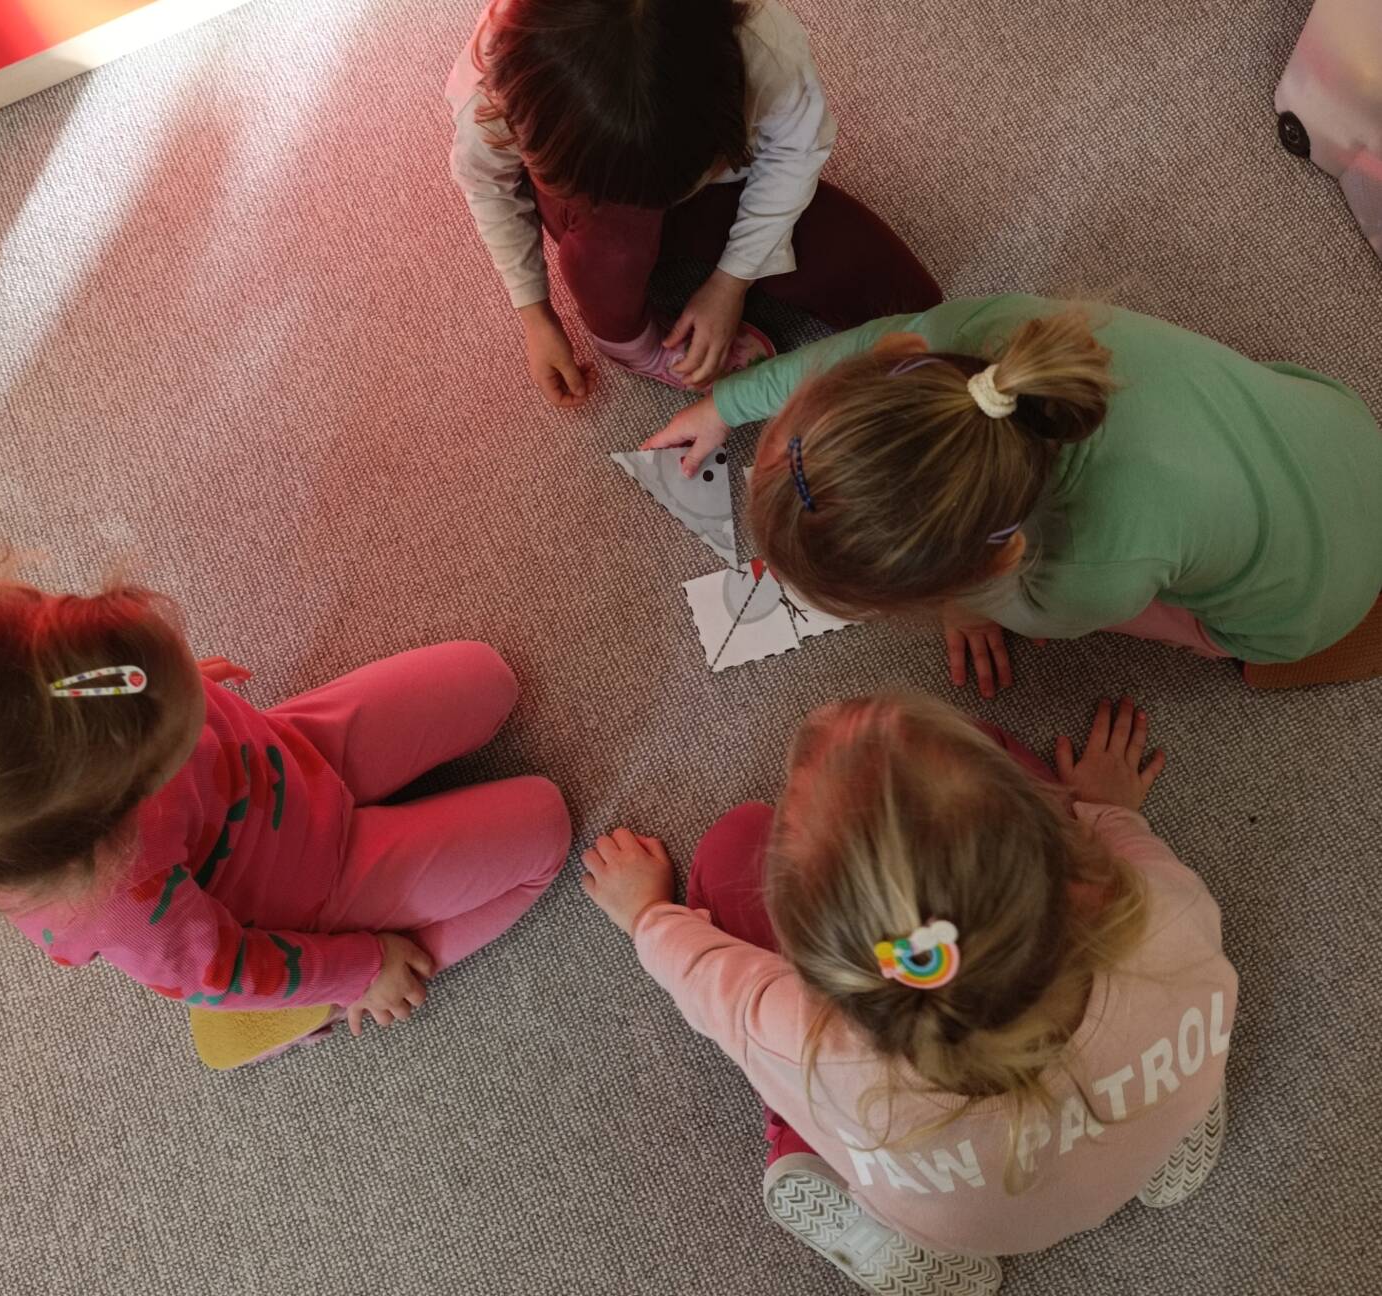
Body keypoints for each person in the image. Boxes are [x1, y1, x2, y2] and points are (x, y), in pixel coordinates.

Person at [582, 693, 1234, 1289]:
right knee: (986, 746)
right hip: (1157, 1086)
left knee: (732, 850)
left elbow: (708, 981)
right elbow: (1121, 855)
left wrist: (646, 915)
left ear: (816, 968)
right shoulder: (1165, 913)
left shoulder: (816, 1045)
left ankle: (814, 1163)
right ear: (1081, 881)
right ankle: (1170, 1135)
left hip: (965, 1224)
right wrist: (1106, 812)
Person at [0, 559, 570, 1054]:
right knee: (545, 826)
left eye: (133, 677)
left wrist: (167, 687)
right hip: (312, 890)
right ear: (115, 813)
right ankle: (327, 1007)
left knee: (486, 675)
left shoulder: (91, 695)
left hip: (288, 757)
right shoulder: (119, 903)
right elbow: (221, 970)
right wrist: (361, 970)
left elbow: (112, 680)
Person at [645, 294, 1382, 692]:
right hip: (1340, 424)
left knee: (1178, 622)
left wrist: (970, 605)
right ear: (902, 356)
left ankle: (1226, 639)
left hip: (1309, 612)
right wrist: (728, 402)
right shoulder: (974, 334)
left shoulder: (1079, 575)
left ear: (996, 562)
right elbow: (851, 355)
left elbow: (1027, 593)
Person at [446, 0, 940, 407]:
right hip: (594, 204)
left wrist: (731, 281)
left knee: (912, 304)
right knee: (610, 249)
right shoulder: (494, 91)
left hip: (700, 168)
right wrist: (535, 313)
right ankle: (630, 344)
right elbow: (490, 187)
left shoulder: (761, 42)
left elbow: (794, 152)